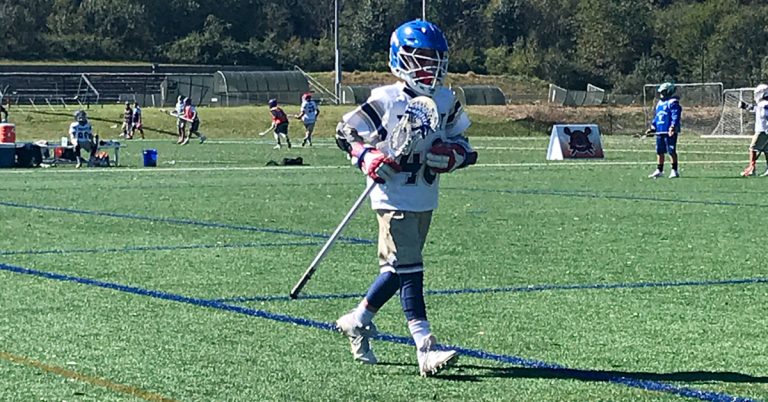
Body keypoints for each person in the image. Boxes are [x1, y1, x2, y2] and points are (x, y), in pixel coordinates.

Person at [333, 19, 477, 377]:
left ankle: (357, 320)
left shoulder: (445, 100)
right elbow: (345, 131)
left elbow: (465, 145)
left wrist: (454, 155)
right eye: (422, 59)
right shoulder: (387, 98)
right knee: (411, 268)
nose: (430, 68)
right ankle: (425, 346)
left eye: (435, 60)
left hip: (424, 196)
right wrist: (366, 156)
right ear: (401, 59)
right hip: (391, 195)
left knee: (398, 270)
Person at [646, 82, 682, 178]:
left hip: (669, 131)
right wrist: (653, 127)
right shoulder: (659, 103)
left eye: (664, 92)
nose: (661, 94)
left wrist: (672, 126)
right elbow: (657, 116)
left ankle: (674, 170)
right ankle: (659, 170)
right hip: (660, 130)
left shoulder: (673, 102)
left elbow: (675, 115)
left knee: (671, 150)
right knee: (659, 151)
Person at [740, 84, 768, 177]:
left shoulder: (764, 104)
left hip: (763, 130)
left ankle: (751, 169)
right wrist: (746, 106)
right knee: (766, 149)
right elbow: (756, 108)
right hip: (764, 130)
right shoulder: (763, 104)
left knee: (753, 148)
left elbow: (763, 113)